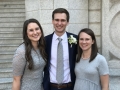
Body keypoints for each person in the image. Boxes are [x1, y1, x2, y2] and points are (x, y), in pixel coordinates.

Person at [43, 8, 77, 90]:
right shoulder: (45, 41)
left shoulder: (75, 39)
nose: (59, 23)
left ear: (67, 22)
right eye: (56, 20)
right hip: (50, 87)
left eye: (63, 20)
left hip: (70, 87)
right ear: (52, 21)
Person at [12, 18, 47, 90]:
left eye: (37, 29)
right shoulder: (21, 51)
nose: (35, 32)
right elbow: (16, 80)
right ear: (26, 33)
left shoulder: (41, 48)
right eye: (31, 30)